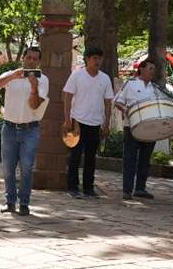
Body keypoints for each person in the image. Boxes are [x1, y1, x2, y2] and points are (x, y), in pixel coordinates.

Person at [0, 47, 50, 215]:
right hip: (9, 127)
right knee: (8, 168)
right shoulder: (12, 74)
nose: (31, 61)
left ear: (39, 62)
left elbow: (35, 105)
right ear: (24, 58)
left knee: (26, 167)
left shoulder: (43, 80)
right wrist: (12, 76)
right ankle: (10, 202)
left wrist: (34, 88)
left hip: (30, 129)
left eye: (35, 59)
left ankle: (24, 203)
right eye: (28, 57)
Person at [63, 47, 114, 199]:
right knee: (75, 155)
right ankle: (72, 187)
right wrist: (67, 120)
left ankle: (88, 188)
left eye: (99, 58)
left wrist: (106, 124)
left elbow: (108, 103)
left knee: (91, 157)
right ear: (87, 59)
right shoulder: (77, 75)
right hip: (77, 121)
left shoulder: (105, 78)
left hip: (96, 123)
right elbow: (67, 97)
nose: (97, 61)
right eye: (94, 58)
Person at [114, 59, 157, 200]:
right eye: (150, 68)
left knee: (145, 159)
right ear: (142, 69)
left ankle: (140, 188)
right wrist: (127, 110)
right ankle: (127, 190)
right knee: (130, 158)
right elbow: (118, 101)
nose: (153, 72)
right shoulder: (130, 84)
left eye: (154, 69)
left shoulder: (155, 88)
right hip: (132, 126)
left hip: (150, 128)